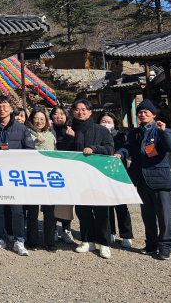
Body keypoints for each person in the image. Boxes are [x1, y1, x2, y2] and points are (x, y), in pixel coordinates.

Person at [114, 100, 171, 260]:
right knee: (147, 215)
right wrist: (120, 153)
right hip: (141, 180)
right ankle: (151, 244)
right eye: (140, 113)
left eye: (146, 112)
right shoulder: (134, 133)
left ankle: (165, 246)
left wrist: (163, 132)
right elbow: (128, 147)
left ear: (153, 115)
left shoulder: (161, 130)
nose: (142, 115)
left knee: (163, 215)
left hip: (160, 179)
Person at [57, 99, 114, 259]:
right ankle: (87, 240)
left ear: (90, 112)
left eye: (84, 109)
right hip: (77, 176)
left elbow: (110, 149)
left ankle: (104, 243)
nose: (80, 112)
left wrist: (94, 149)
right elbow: (60, 151)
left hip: (98, 175)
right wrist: (68, 139)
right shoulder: (68, 129)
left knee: (102, 210)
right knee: (83, 210)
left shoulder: (100, 130)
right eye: (77, 109)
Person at [0, 96, 36, 256]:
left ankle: (19, 240)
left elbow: (30, 150)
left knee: (17, 209)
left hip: (15, 175)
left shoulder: (21, 129)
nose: (1, 109)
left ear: (11, 108)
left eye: (5, 106)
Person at [97, 111, 133, 249]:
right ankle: (110, 232)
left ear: (114, 124)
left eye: (109, 122)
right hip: (101, 174)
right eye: (103, 121)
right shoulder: (96, 136)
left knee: (121, 205)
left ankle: (126, 235)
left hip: (118, 174)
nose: (106, 124)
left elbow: (126, 150)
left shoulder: (121, 137)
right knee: (107, 205)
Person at [25, 107, 57, 252]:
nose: (39, 122)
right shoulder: (27, 134)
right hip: (32, 177)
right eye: (36, 119)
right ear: (31, 120)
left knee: (50, 212)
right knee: (32, 212)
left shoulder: (51, 135)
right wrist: (37, 143)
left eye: (42, 119)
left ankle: (50, 241)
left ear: (46, 122)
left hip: (49, 178)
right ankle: (32, 240)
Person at [48, 105, 75, 244]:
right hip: (50, 170)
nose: (59, 116)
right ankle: (52, 230)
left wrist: (70, 138)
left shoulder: (71, 129)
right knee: (52, 201)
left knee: (66, 202)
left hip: (67, 171)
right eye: (56, 114)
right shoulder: (48, 130)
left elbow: (65, 150)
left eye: (62, 114)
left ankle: (66, 229)